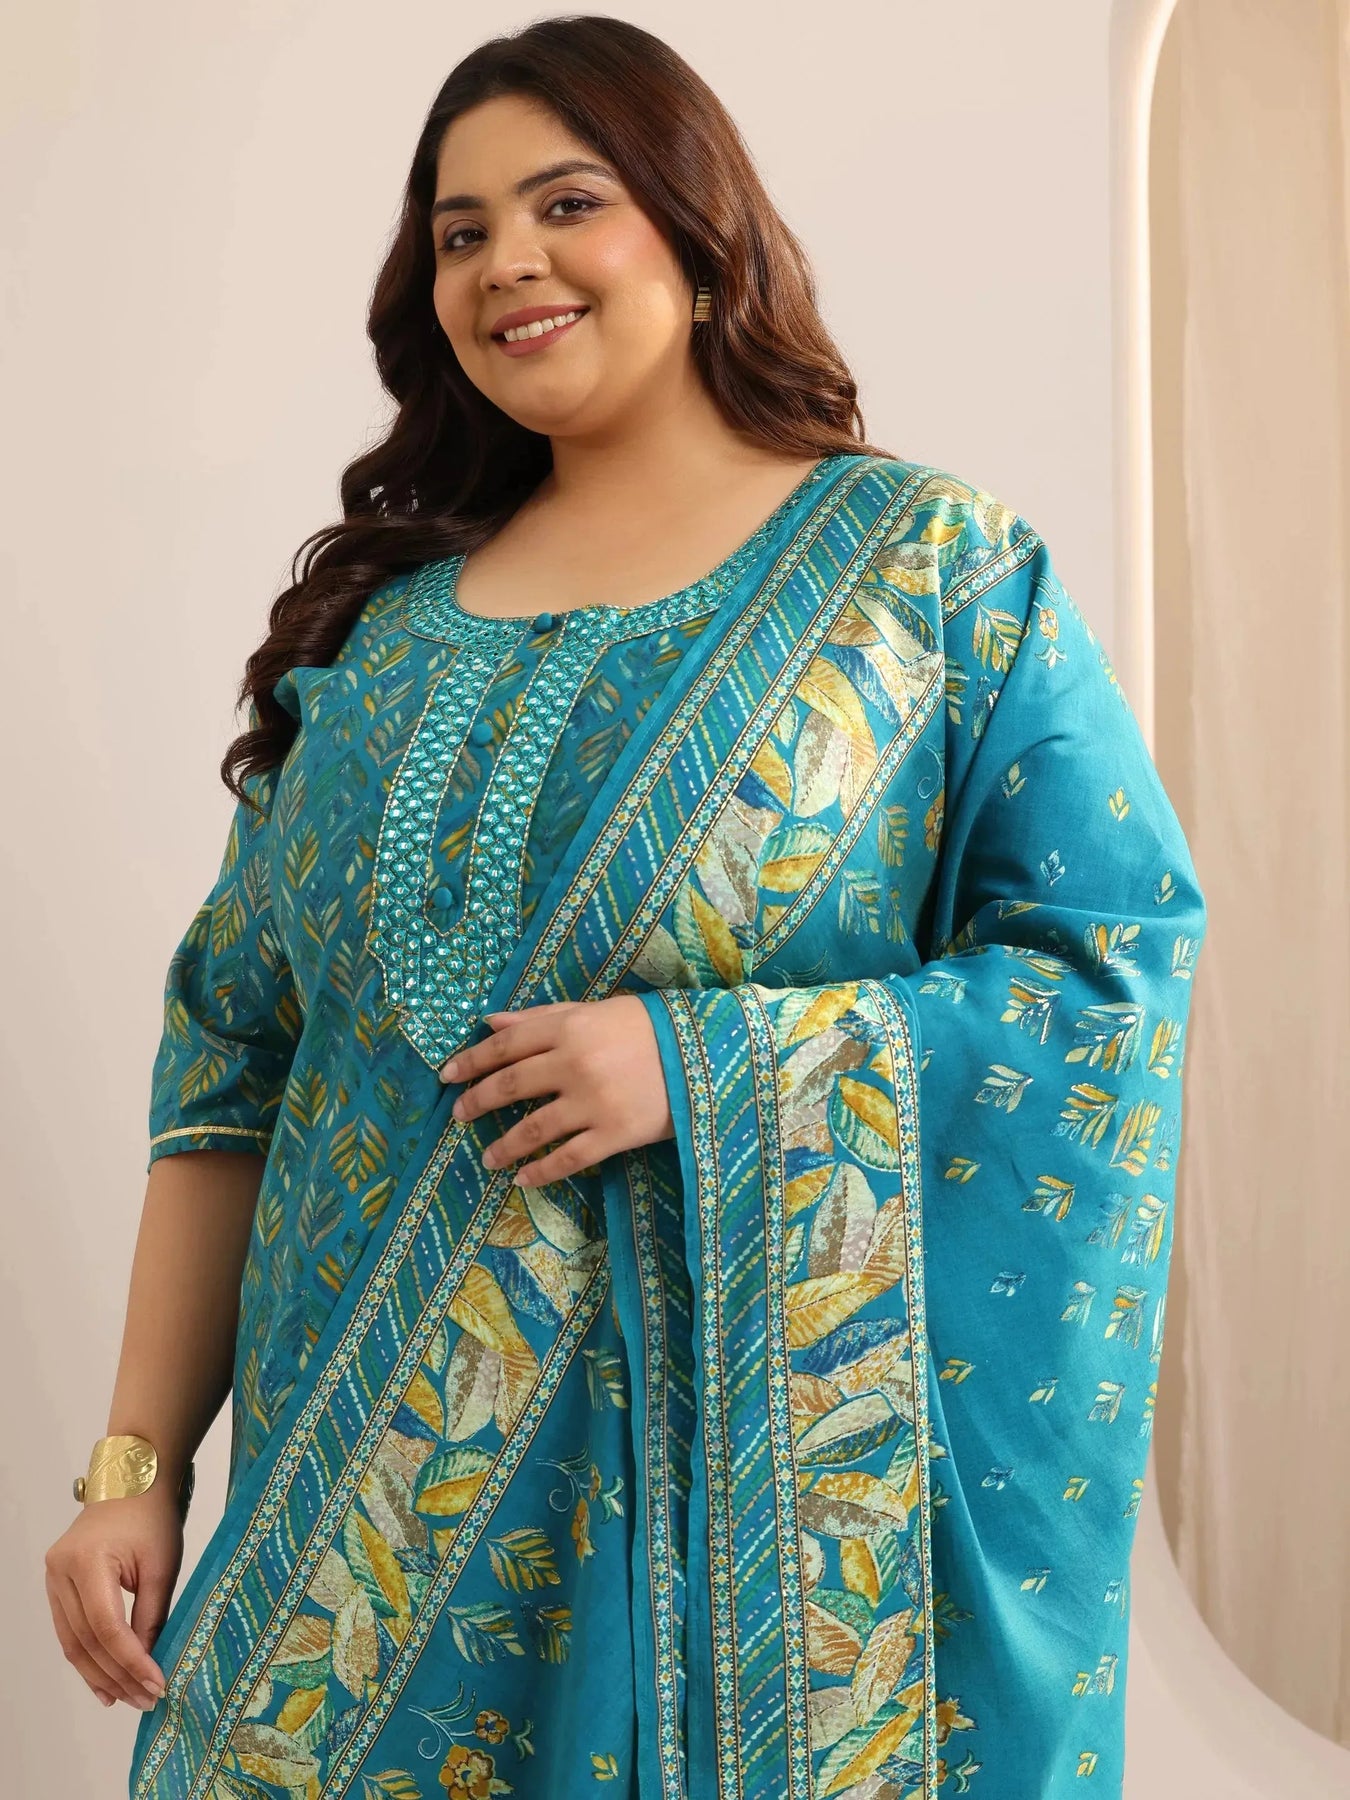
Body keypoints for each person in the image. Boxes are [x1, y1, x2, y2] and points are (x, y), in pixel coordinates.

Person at [43, 16, 1206, 1800]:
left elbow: (1102, 970)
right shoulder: (376, 640)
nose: (505, 260)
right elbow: (230, 1069)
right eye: (459, 231)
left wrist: (708, 1069)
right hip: (345, 1558)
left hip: (726, 1573)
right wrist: (135, 1469)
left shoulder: (919, 574)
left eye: (565, 202)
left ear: (697, 229)